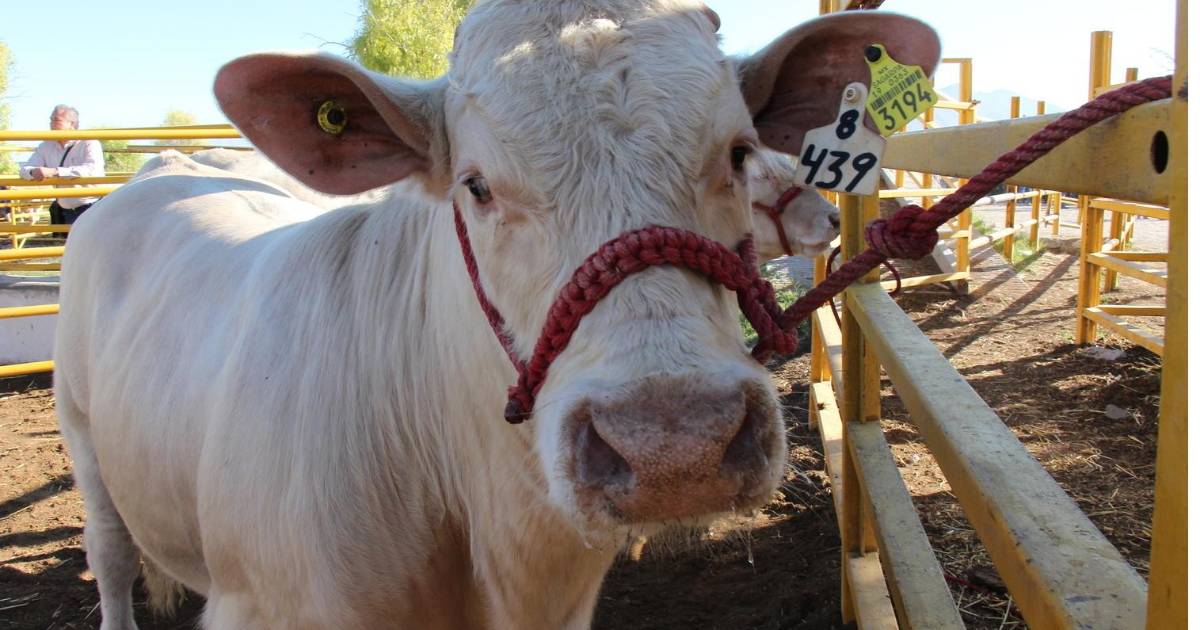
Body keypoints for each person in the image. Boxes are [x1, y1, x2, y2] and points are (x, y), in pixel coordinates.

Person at [19, 105, 105, 224]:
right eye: (51, 120)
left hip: (91, 206)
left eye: (57, 120)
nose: (51, 124)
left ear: (72, 124)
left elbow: (92, 169)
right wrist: (33, 172)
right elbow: (25, 169)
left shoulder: (89, 142)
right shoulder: (46, 145)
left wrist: (56, 171)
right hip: (66, 209)